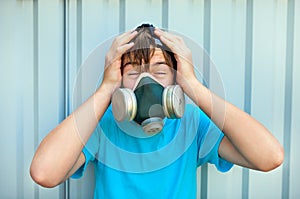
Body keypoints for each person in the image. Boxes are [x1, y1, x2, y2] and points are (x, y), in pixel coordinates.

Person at [30, 24, 284, 198]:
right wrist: (104, 91)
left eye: (160, 72)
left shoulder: (192, 124)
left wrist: (194, 86)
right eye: (132, 73)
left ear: (176, 81)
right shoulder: (101, 127)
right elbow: (44, 173)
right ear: (118, 80)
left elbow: (270, 157)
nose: (146, 82)